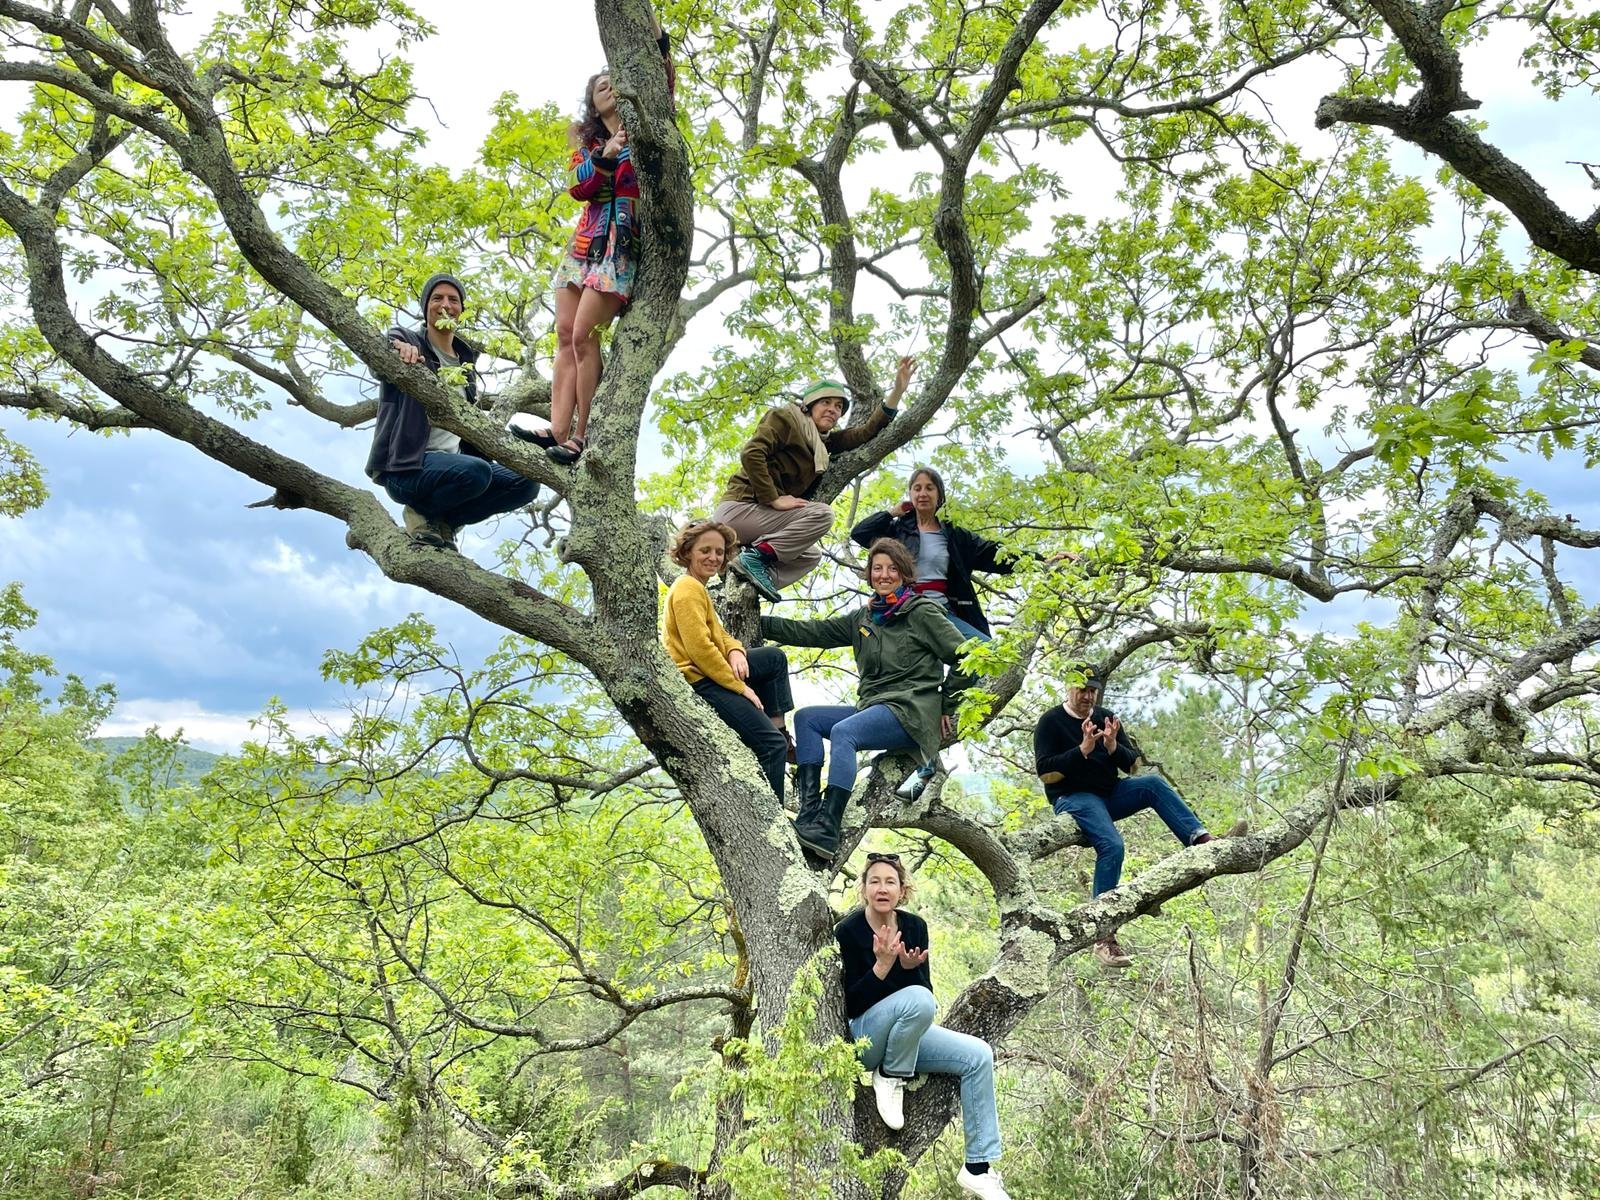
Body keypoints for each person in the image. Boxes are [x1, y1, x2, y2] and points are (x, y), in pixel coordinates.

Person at [510, 14, 674, 466]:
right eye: (598, 84)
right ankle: (557, 429)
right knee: (564, 334)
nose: (606, 85)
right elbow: (579, 187)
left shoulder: (645, 127)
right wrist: (604, 155)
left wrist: (657, 33)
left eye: (612, 81)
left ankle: (581, 434)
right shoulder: (589, 144)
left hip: (618, 249)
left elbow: (663, 76)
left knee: (584, 336)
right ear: (591, 101)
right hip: (582, 246)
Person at [760, 539, 969, 867]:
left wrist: (948, 704)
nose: (884, 574)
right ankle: (810, 813)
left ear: (904, 573)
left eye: (891, 569)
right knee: (807, 719)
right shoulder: (864, 618)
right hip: (873, 707)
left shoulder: (922, 611)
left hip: (911, 709)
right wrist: (759, 622)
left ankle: (828, 828)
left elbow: (965, 657)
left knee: (844, 733)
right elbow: (812, 632)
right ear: (869, 574)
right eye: (877, 568)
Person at [850, 464, 1054, 799]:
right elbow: (860, 534)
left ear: (939, 495)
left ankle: (945, 709)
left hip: (942, 612)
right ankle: (924, 769)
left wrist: (1043, 561)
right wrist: (892, 512)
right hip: (905, 615)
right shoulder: (897, 531)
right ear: (910, 494)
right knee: (912, 695)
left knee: (983, 653)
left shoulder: (953, 534)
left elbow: (996, 555)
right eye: (916, 487)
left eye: (929, 487)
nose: (922, 493)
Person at [1033, 668, 1248, 967]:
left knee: (1152, 783)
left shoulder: (1106, 717)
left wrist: (1111, 746)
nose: (1087, 696)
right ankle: (1103, 937)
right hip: (1074, 796)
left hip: (1110, 793)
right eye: (1082, 689)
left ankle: (1201, 841)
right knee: (1112, 846)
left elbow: (1131, 766)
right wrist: (1082, 749)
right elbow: (1046, 773)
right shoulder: (1051, 721)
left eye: (1092, 690)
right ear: (1069, 688)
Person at [835, 852, 1011, 1200]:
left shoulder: (914, 927)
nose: (882, 888)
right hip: (865, 1041)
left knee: (979, 1055)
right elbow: (850, 1005)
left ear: (902, 890)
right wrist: (883, 965)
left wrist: (906, 966)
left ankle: (978, 1168)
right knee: (916, 999)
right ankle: (891, 1075)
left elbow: (924, 998)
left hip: (906, 1035)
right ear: (864, 889)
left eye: (890, 881)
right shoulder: (849, 931)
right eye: (874, 881)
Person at [713, 358, 917, 602]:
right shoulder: (785, 419)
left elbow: (866, 433)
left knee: (810, 555)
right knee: (822, 514)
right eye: (826, 402)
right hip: (740, 509)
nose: (833, 409)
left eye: (839, 406)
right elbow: (752, 453)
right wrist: (774, 499)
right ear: (809, 405)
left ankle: (747, 577)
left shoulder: (823, 442)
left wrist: (897, 391)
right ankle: (755, 558)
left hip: (762, 521)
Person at [365, 272, 539, 550]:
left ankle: (445, 521)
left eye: (453, 299)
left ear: (461, 310)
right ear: (426, 308)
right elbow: (381, 357)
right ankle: (418, 512)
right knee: (476, 472)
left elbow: (469, 422)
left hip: (455, 465)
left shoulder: (465, 361)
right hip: (407, 469)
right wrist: (398, 349)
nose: (445, 304)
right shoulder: (407, 339)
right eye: (437, 298)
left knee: (526, 483)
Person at [664, 519, 794, 802]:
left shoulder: (698, 587)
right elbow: (700, 649)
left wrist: (735, 650)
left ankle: (779, 728)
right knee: (771, 747)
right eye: (705, 550)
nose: (714, 557)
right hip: (701, 681)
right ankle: (774, 820)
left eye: (719, 552)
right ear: (687, 552)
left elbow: (720, 636)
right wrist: (740, 687)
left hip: (711, 672)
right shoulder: (687, 588)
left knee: (773, 658)